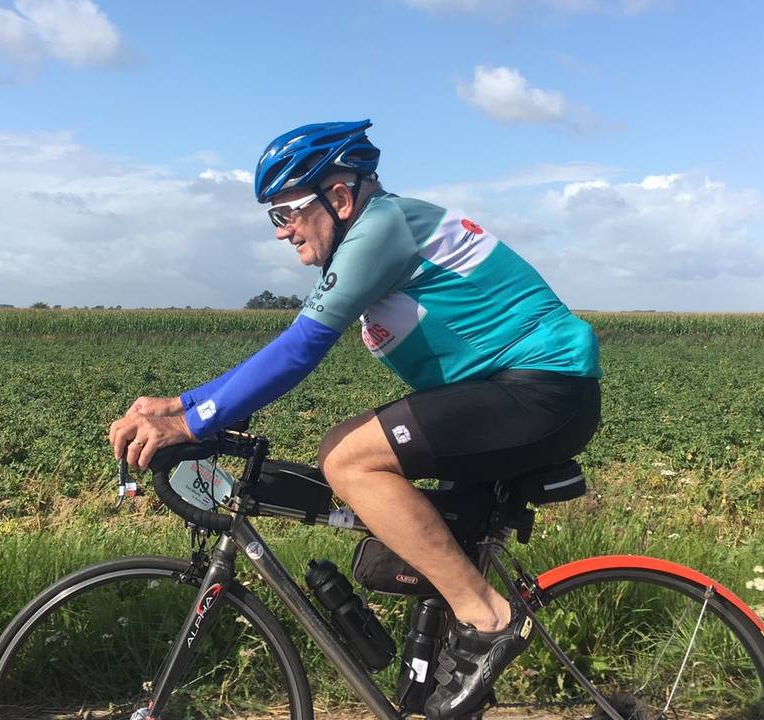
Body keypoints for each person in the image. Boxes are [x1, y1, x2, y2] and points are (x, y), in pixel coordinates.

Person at [108, 120, 601, 718]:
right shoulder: (373, 237)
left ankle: (491, 619)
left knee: (348, 458)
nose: (283, 231)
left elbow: (298, 349)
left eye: (287, 211)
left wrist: (191, 424)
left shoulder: (382, 227)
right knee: (377, 499)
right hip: (503, 396)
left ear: (339, 197)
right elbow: (287, 348)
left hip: (542, 389)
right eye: (275, 217)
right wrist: (183, 406)